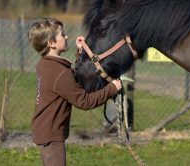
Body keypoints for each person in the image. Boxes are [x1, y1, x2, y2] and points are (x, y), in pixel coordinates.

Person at [27, 18, 121, 166]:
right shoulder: (59, 73)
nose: (66, 36)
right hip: (51, 136)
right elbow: (84, 102)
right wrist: (112, 88)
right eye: (62, 35)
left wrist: (80, 51)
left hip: (44, 130)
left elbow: (72, 79)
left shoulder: (46, 64)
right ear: (51, 43)